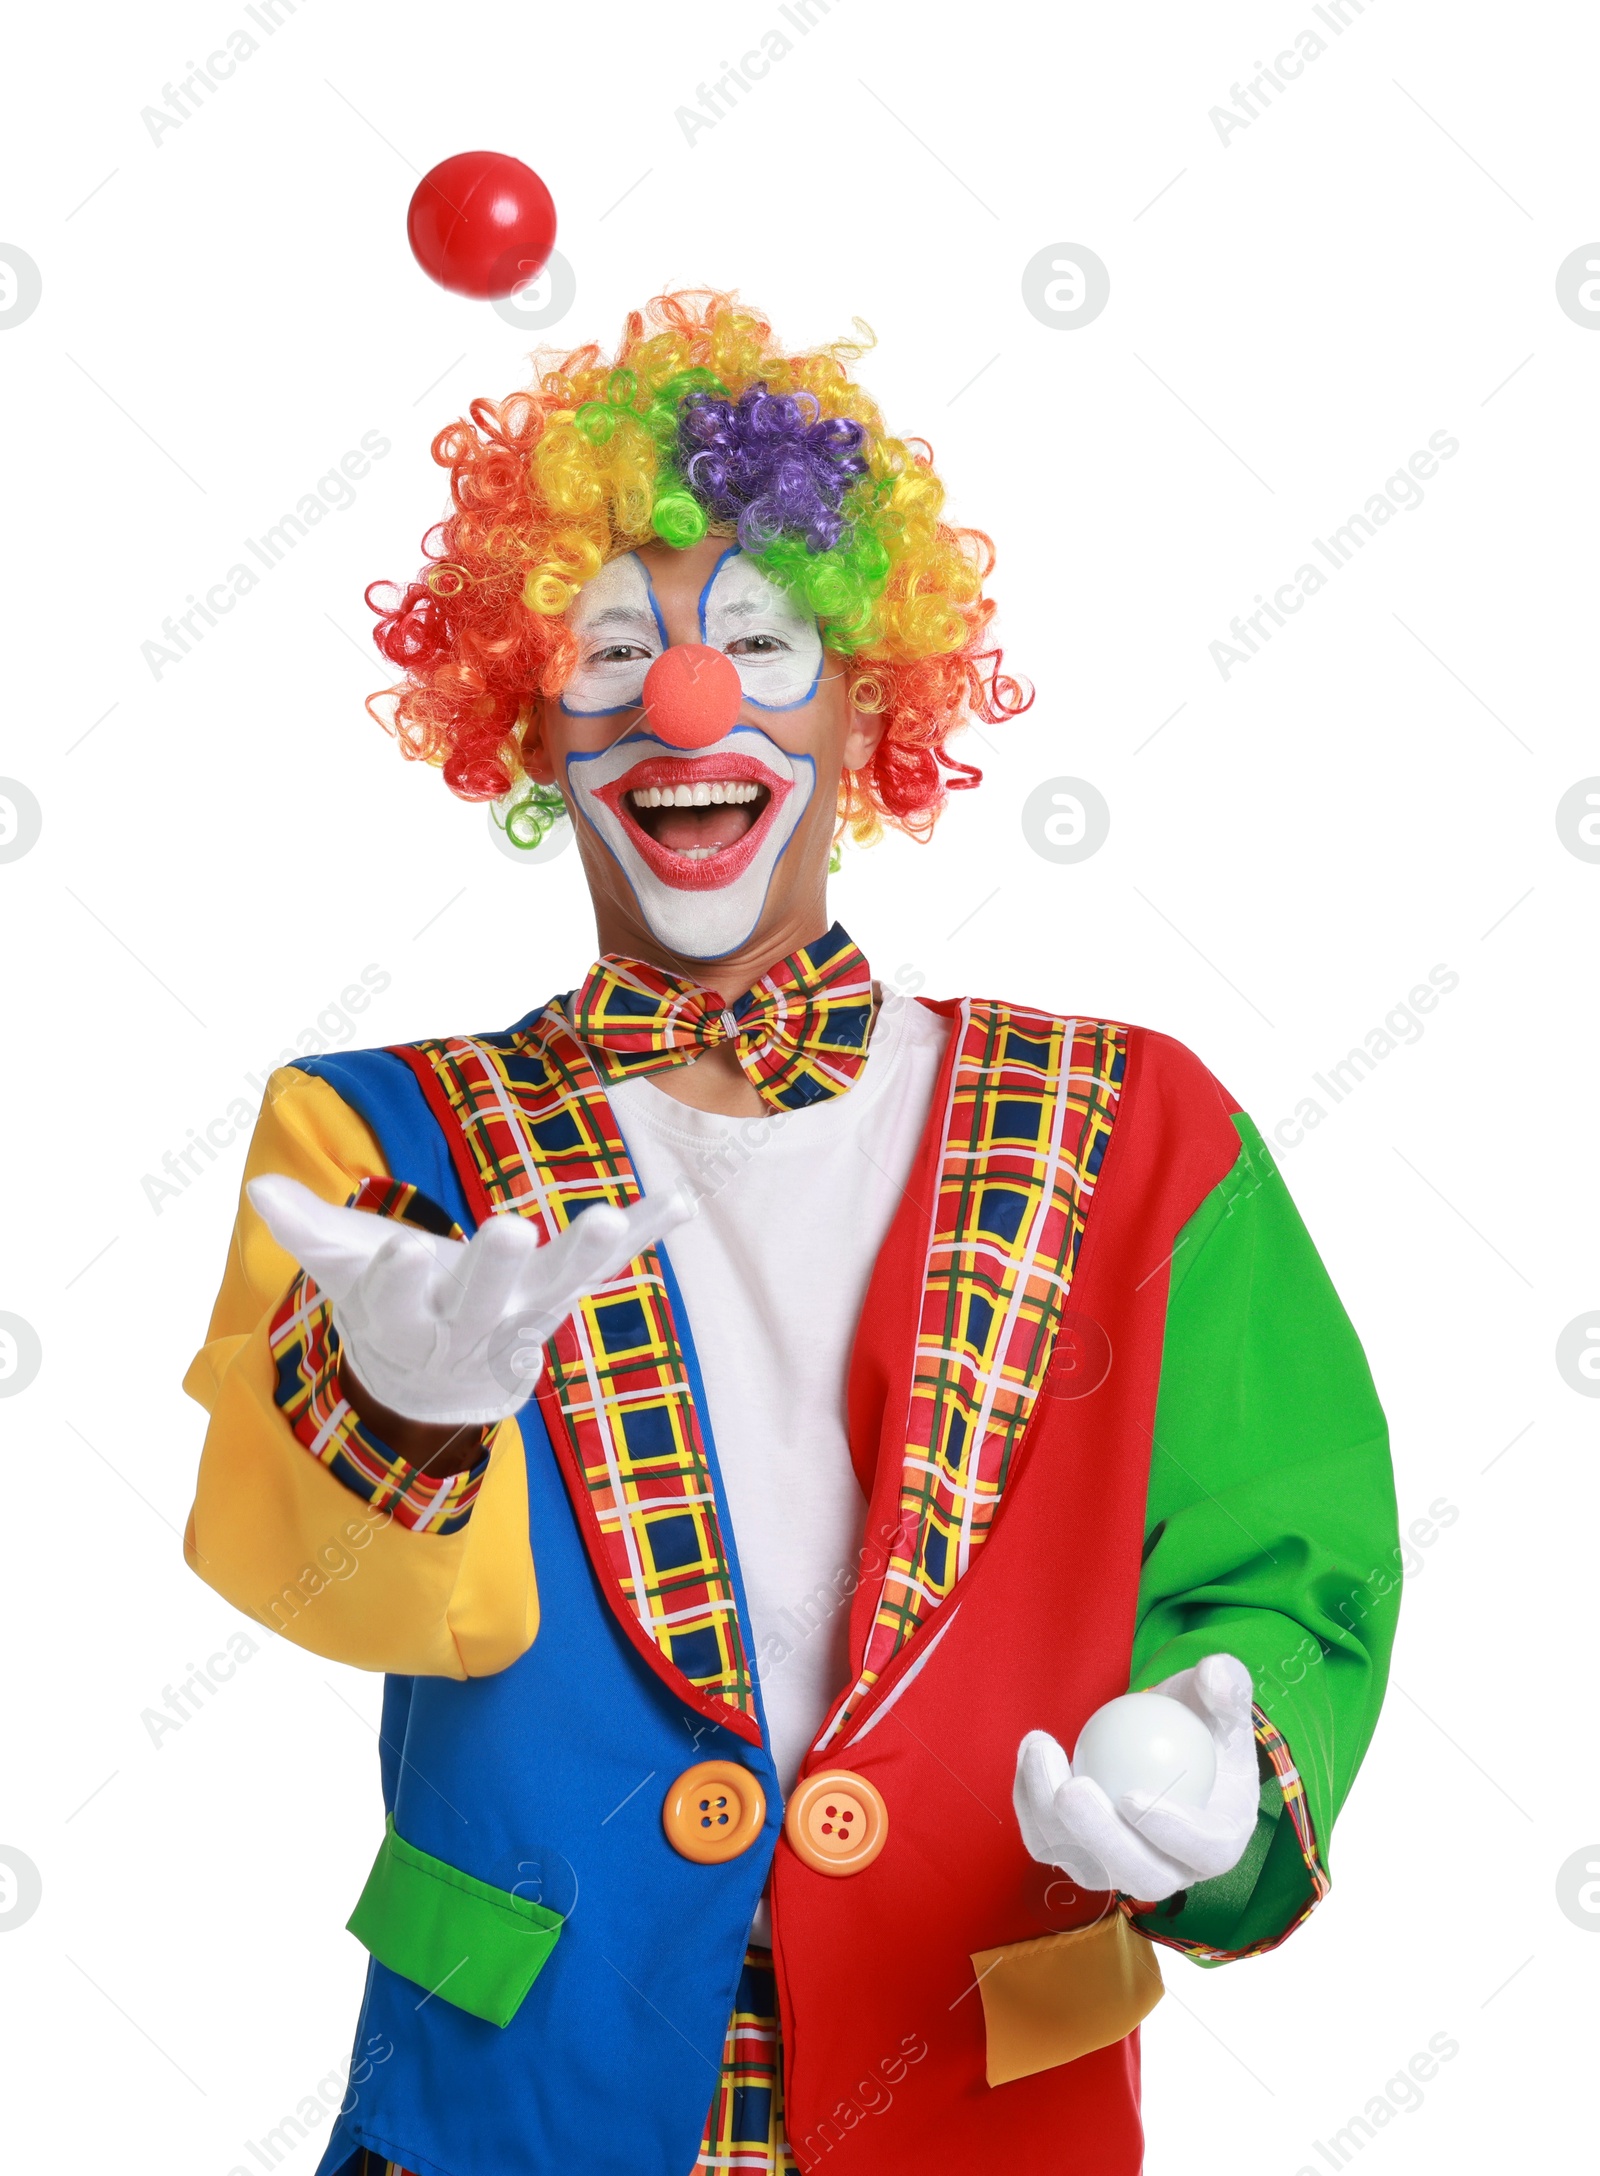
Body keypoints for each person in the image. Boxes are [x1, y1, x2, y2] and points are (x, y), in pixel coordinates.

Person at [184, 289, 1400, 2176]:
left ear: (868, 703)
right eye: (613, 650)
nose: (689, 701)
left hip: (974, 2071)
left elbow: (1287, 1562)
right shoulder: (381, 1138)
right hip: (523, 2088)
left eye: (761, 640)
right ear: (527, 720)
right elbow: (296, 1571)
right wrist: (405, 1405)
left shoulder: (1137, 1125)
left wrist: (1224, 1781)